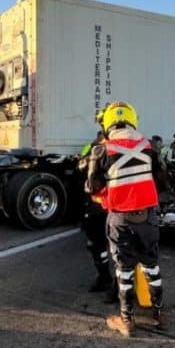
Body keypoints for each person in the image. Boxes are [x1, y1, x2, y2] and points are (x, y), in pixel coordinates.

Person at [85, 102, 169, 337]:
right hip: (148, 215)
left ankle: (127, 320)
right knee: (152, 265)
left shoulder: (101, 150)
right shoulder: (150, 146)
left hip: (120, 217)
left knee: (124, 270)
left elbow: (91, 186)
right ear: (133, 120)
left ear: (108, 123)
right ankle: (160, 314)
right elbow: (162, 181)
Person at [78, 125, 113, 301]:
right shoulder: (94, 149)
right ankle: (104, 277)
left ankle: (118, 288)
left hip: (113, 206)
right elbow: (81, 166)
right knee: (95, 245)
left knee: (118, 248)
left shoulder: (118, 151)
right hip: (96, 206)